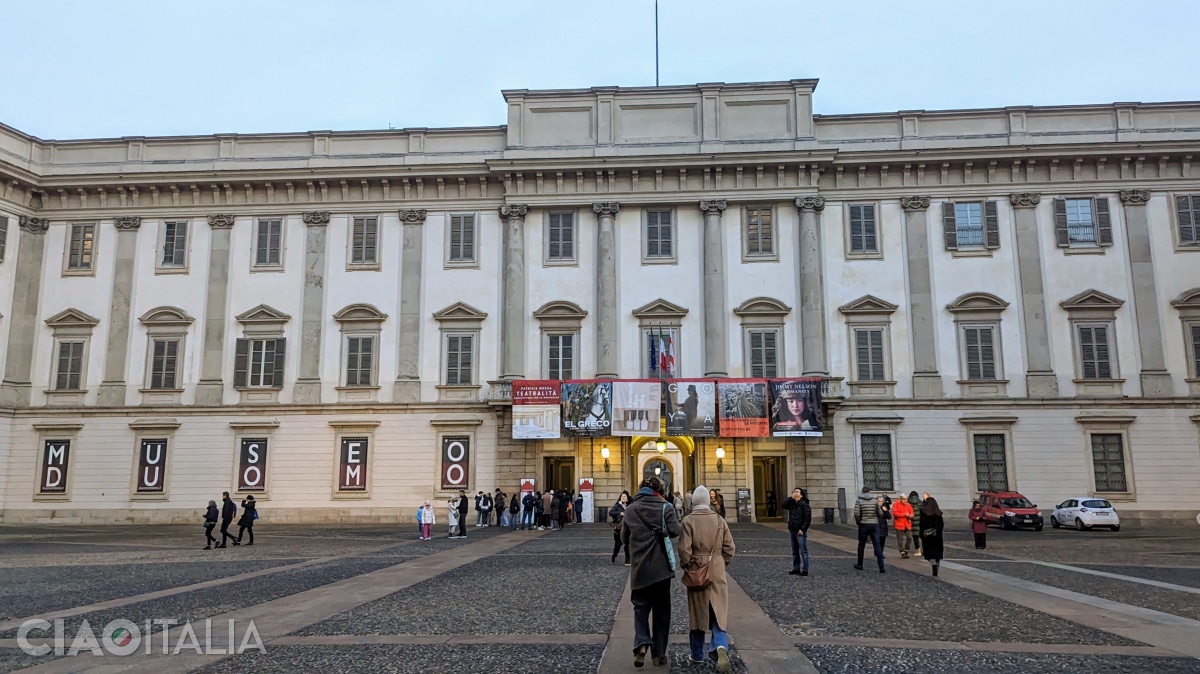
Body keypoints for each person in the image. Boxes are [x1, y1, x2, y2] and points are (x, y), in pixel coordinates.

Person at [622, 476, 682, 668]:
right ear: (660, 490)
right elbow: (675, 531)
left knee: (640, 608)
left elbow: (624, 537)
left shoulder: (631, 509)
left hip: (640, 568)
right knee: (662, 612)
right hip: (661, 570)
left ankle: (641, 643)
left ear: (640, 489)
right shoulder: (666, 507)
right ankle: (658, 655)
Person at [680, 485, 735, 672]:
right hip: (717, 567)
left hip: (697, 568)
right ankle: (721, 645)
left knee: (698, 613)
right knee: (718, 611)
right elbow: (730, 548)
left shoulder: (688, 521)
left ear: (694, 501)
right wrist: (721, 563)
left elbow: (684, 550)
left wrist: (687, 566)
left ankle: (697, 655)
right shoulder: (719, 520)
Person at [852, 487, 884, 573]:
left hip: (863, 524)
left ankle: (860, 564)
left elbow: (856, 513)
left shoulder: (859, 501)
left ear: (862, 492)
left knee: (861, 544)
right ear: (869, 492)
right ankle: (881, 566)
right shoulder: (874, 501)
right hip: (874, 524)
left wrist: (858, 522)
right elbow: (880, 513)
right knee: (877, 545)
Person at [780, 487, 811, 576]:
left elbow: (807, 518)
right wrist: (791, 498)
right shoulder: (792, 504)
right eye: (794, 491)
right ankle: (796, 568)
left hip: (800, 530)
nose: (795, 493)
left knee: (803, 551)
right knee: (795, 551)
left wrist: (803, 529)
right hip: (792, 529)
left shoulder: (804, 505)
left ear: (801, 495)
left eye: (797, 492)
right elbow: (783, 505)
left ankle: (805, 569)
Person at [920, 496, 946, 576]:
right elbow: (941, 525)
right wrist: (938, 531)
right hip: (937, 535)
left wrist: (921, 534)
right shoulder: (938, 513)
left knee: (928, 553)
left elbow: (921, 524)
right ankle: (936, 566)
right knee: (937, 553)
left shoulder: (924, 512)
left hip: (927, 535)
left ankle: (933, 563)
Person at [610, 492, 631, 565]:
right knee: (618, 544)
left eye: (625, 496)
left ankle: (627, 560)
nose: (623, 497)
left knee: (627, 544)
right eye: (622, 496)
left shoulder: (630, 506)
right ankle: (613, 557)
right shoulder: (617, 505)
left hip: (628, 528)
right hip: (619, 528)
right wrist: (620, 513)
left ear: (628, 498)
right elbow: (611, 513)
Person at [892, 493, 914, 558]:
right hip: (899, 524)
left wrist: (911, 515)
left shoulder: (908, 505)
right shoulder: (896, 504)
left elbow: (912, 512)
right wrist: (904, 514)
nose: (905, 501)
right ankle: (902, 552)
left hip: (907, 524)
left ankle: (907, 550)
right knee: (900, 539)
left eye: (906, 499)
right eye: (904, 499)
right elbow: (895, 513)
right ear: (901, 499)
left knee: (909, 538)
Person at [908, 491, 923, 556]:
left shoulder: (908, 503)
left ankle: (918, 550)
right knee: (923, 537)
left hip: (912, 522)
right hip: (920, 522)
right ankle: (925, 550)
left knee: (915, 537)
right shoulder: (920, 502)